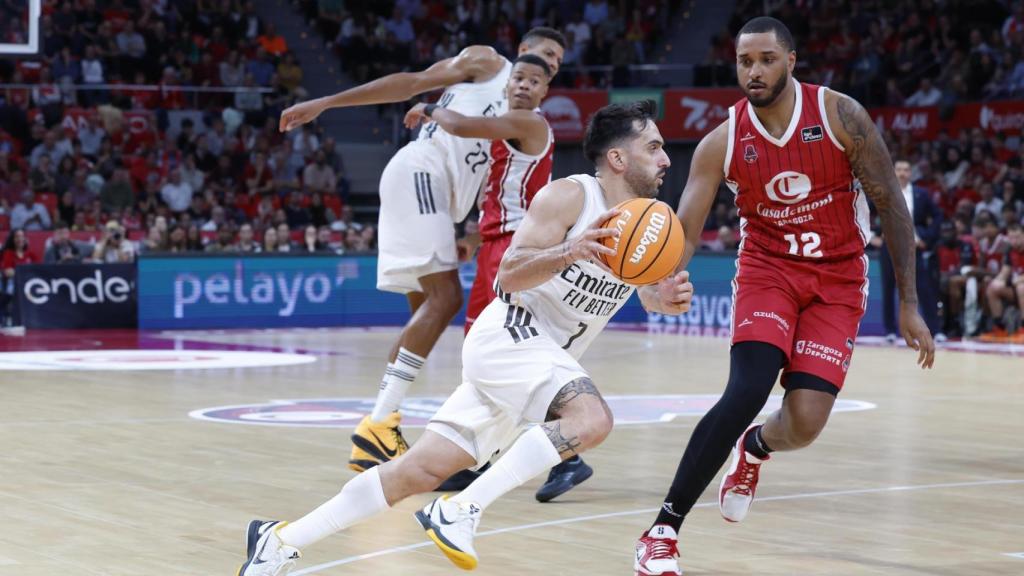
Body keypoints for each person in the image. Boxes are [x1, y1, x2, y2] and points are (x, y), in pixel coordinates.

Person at [237, 100, 692, 576]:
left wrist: (662, 298)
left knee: (419, 470)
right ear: (617, 158)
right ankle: (460, 509)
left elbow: (643, 291)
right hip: (512, 334)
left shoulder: (649, 222)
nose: (665, 159)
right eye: (654, 147)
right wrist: (569, 250)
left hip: (537, 362)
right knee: (591, 419)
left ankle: (280, 540)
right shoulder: (570, 197)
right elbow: (507, 276)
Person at [632, 18, 936, 576]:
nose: (754, 71)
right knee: (747, 388)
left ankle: (754, 448)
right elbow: (687, 230)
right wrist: (664, 277)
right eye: (745, 61)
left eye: (766, 59)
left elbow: (891, 205)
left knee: (805, 422)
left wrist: (910, 303)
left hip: (838, 279)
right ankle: (662, 530)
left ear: (791, 61)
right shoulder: (721, 141)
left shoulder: (840, 116)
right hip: (768, 271)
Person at [279, 28, 567, 478]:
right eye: (544, 52)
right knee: (446, 299)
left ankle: (388, 432)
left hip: (436, 197)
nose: (549, 61)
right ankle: (379, 425)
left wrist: (472, 239)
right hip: (421, 171)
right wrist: (327, 103)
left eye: (556, 60)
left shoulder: (521, 120)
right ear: (522, 51)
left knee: (428, 312)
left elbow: (496, 194)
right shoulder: (488, 62)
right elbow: (411, 83)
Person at [404, 53, 590, 501]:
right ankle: (477, 457)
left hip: (513, 249)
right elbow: (508, 194)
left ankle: (568, 457)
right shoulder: (514, 125)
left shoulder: (529, 122)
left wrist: (428, 107)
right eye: (518, 78)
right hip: (496, 243)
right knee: (481, 354)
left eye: (534, 81)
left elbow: (461, 126)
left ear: (545, 91)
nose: (523, 86)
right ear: (508, 83)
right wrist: (475, 235)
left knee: (504, 354)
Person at [876, 159, 943, 342]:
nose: (902, 173)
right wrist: (871, 235)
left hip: (913, 247)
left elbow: (938, 215)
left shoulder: (921, 194)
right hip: (889, 246)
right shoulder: (883, 191)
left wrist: (925, 237)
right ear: (893, 171)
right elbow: (866, 211)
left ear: (911, 173)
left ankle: (935, 330)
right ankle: (890, 331)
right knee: (888, 288)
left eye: (906, 170)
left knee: (923, 288)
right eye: (899, 169)